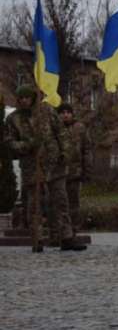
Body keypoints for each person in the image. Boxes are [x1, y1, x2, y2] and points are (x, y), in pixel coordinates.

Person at [4, 85, 86, 252]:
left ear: (33, 98)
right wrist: (27, 145)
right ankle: (37, 239)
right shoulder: (13, 119)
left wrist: (65, 153)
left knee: (61, 201)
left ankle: (66, 237)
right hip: (32, 165)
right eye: (22, 98)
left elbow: (61, 133)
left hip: (54, 163)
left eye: (27, 97)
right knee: (34, 204)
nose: (25, 101)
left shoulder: (46, 111)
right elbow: (9, 141)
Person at [58, 103, 92, 235]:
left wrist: (87, 171)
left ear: (72, 114)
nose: (65, 115)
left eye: (68, 112)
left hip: (74, 173)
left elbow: (86, 150)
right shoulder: (55, 129)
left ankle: (74, 231)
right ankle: (59, 232)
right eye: (62, 112)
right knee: (59, 204)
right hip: (58, 173)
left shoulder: (80, 128)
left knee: (74, 204)